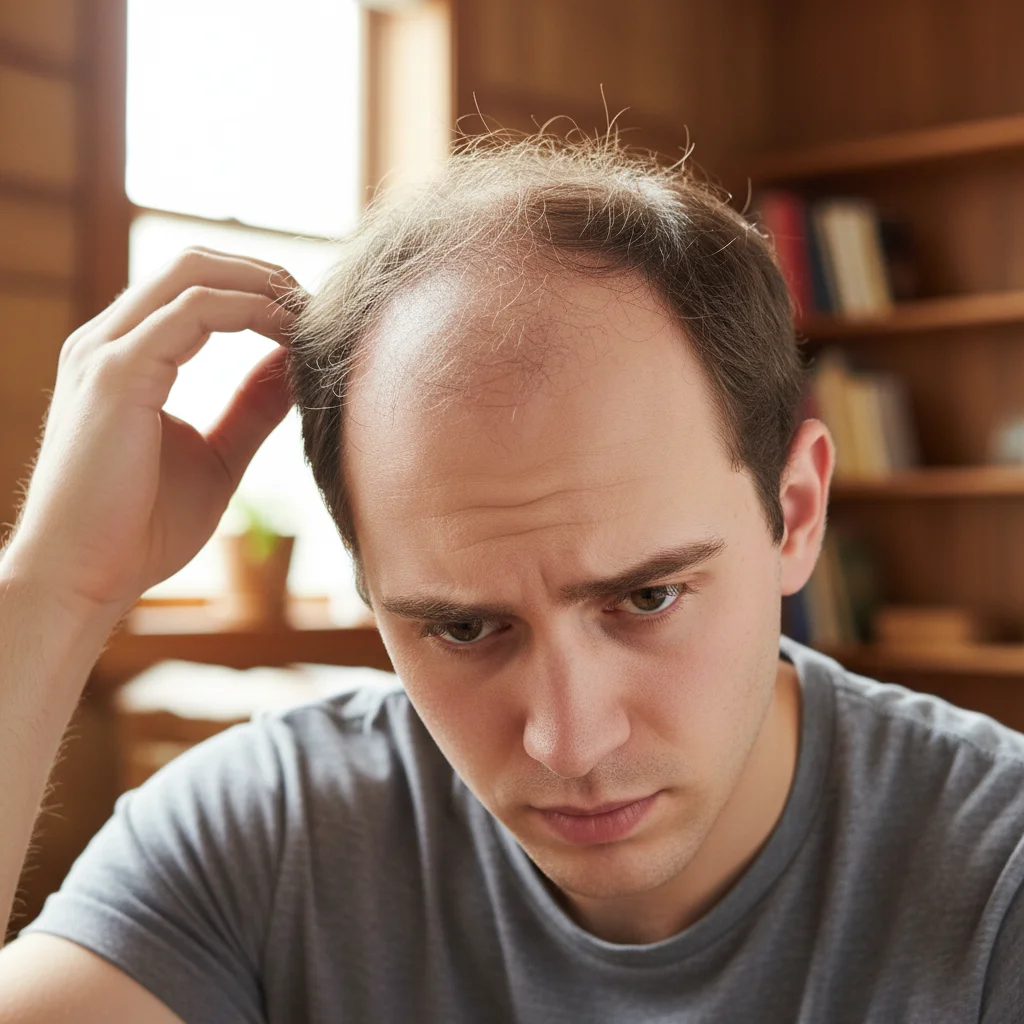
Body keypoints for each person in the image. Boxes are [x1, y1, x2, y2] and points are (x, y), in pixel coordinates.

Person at [0, 135, 1022, 1024]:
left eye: (648, 597)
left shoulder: (997, 882)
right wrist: (56, 589)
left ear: (792, 514)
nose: (568, 742)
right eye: (460, 628)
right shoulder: (270, 836)